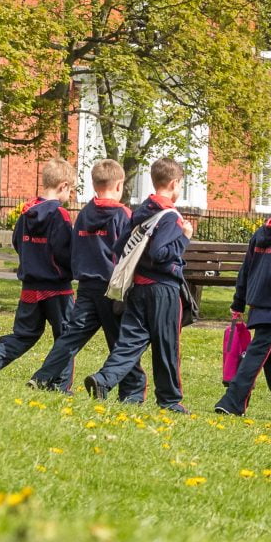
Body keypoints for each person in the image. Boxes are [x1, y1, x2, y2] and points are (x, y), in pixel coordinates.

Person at [84, 156, 190, 412]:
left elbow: (121, 246)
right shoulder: (170, 217)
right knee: (166, 345)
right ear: (175, 183)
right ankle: (170, 400)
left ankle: (103, 380)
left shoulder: (142, 211)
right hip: (162, 289)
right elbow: (160, 254)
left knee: (130, 342)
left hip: (137, 288)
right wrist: (184, 238)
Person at [38, 159, 142, 402]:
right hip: (113, 288)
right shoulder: (123, 215)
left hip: (86, 285)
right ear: (119, 185)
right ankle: (132, 393)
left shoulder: (84, 214)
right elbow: (130, 251)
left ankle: (42, 376)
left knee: (71, 337)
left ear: (95, 185)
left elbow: (76, 246)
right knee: (121, 341)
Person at [0, 160, 76, 386]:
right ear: (64, 186)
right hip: (57, 288)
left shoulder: (26, 213)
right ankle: (57, 384)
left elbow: (17, 242)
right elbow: (64, 251)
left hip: (30, 285)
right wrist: (72, 269)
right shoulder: (60, 215)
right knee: (67, 336)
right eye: (72, 190)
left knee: (24, 334)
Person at [215, 186, 271, 417]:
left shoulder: (259, 233)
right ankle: (231, 401)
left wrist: (238, 303)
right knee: (255, 357)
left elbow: (246, 269)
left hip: (258, 304)